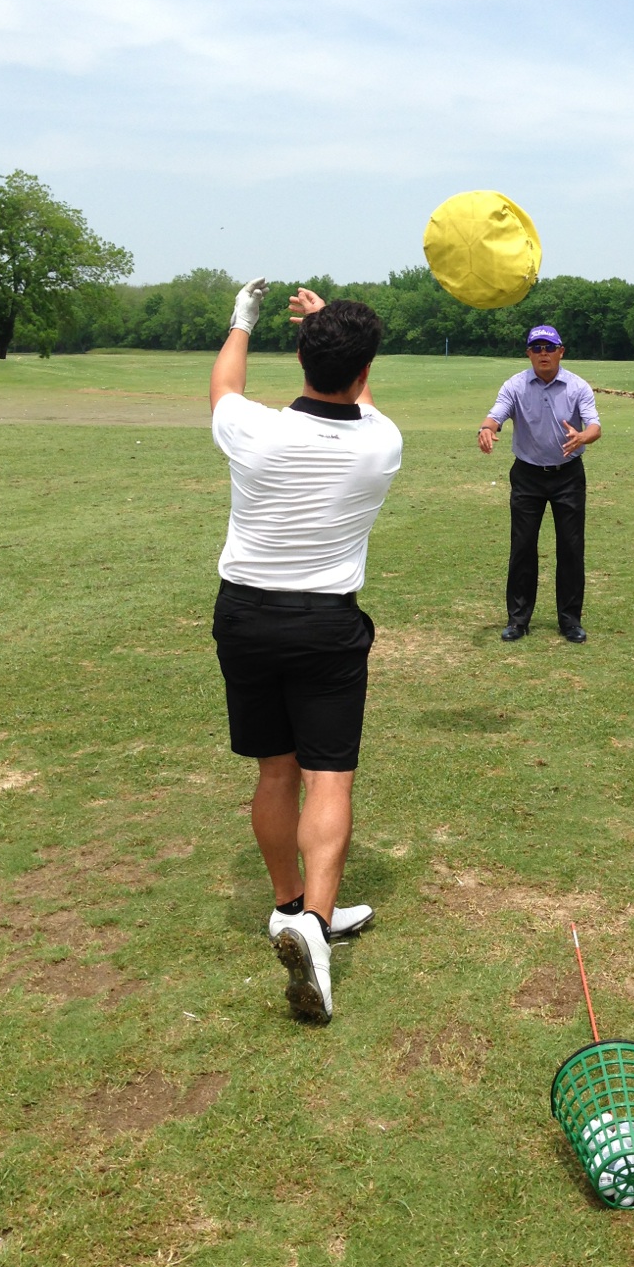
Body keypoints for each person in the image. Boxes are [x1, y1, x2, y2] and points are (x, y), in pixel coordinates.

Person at [209, 279, 402, 1025]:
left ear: (300, 359)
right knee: (328, 777)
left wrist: (243, 321)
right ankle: (315, 927)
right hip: (325, 624)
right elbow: (361, 400)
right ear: (364, 369)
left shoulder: (252, 430)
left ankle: (289, 907)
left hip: (246, 616)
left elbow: (225, 386)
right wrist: (333, 331)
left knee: (275, 770)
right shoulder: (381, 443)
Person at [477, 324, 601, 642]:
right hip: (527, 475)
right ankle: (518, 620)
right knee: (522, 547)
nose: (543, 353)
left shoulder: (577, 386)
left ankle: (570, 621)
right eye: (536, 348)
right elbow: (496, 415)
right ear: (528, 353)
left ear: (561, 351)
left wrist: (583, 436)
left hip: (568, 475)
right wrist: (486, 429)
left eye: (549, 348)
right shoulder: (515, 386)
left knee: (571, 548)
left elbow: (594, 426)